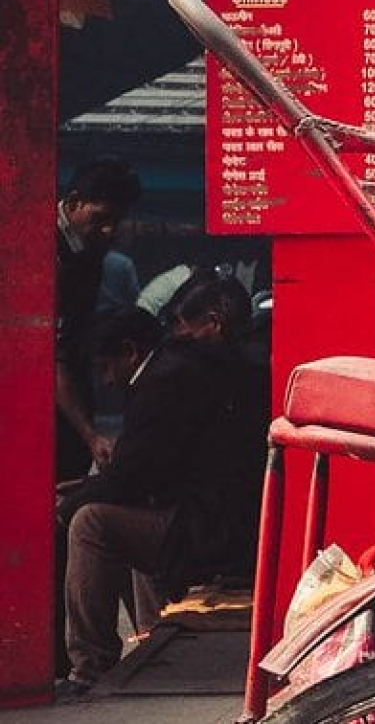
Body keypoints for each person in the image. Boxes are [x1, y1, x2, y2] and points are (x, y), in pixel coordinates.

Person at [56, 277, 269, 694]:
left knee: (91, 524)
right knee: (120, 516)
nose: (107, 380)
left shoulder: (168, 378)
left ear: (129, 353)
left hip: (212, 525)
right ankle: (151, 639)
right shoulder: (190, 367)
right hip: (216, 510)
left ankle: (88, 665)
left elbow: (134, 477)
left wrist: (71, 500)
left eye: (106, 366)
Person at [56, 157, 142, 481]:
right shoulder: (41, 247)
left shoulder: (89, 250)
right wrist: (90, 435)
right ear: (74, 202)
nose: (108, 230)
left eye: (115, 222)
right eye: (101, 218)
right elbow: (55, 356)